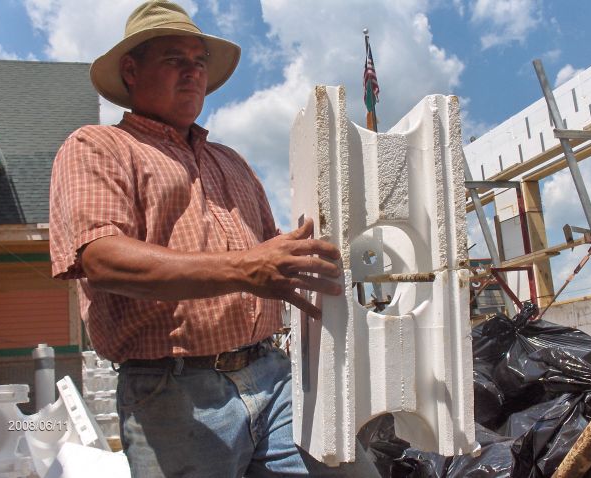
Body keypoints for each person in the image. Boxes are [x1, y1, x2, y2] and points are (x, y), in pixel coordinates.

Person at [49, 1, 380, 477]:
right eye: (174, 60)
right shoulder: (97, 147)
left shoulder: (233, 162)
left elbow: (271, 253)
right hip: (172, 394)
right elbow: (102, 259)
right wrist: (247, 268)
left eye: (199, 63)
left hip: (273, 373)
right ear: (130, 70)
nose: (193, 73)